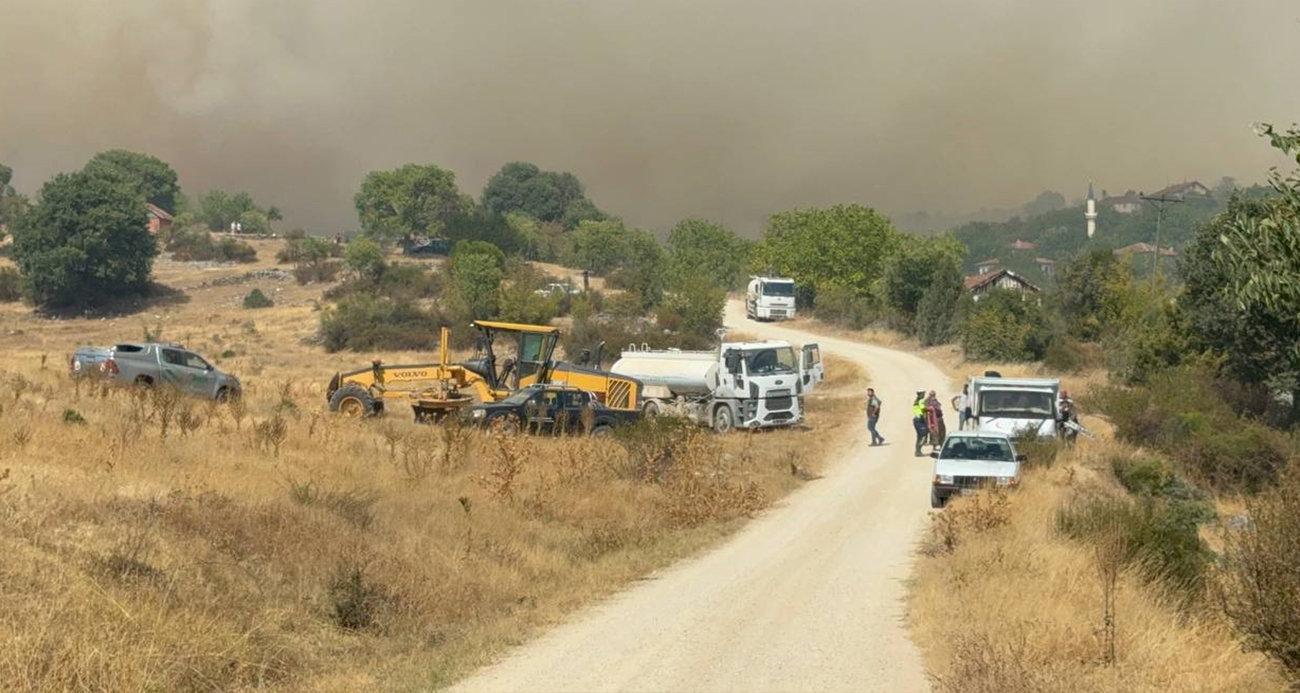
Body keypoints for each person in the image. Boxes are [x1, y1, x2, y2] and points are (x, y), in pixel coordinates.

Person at [912, 391, 928, 456]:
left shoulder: (916, 401)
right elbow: (923, 408)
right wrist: (929, 409)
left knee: (919, 437)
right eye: (923, 393)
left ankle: (918, 451)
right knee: (924, 435)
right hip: (920, 420)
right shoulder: (921, 400)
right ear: (921, 394)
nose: (924, 394)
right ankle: (918, 450)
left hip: (916, 420)